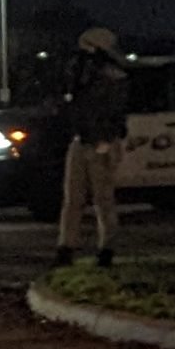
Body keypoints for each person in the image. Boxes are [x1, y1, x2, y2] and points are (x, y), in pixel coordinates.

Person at [55, 26, 131, 269]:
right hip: (81, 139)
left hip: (100, 141)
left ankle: (106, 248)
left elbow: (114, 113)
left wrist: (106, 140)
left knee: (103, 198)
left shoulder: (113, 76)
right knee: (73, 198)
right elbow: (73, 103)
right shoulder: (80, 72)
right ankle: (66, 247)